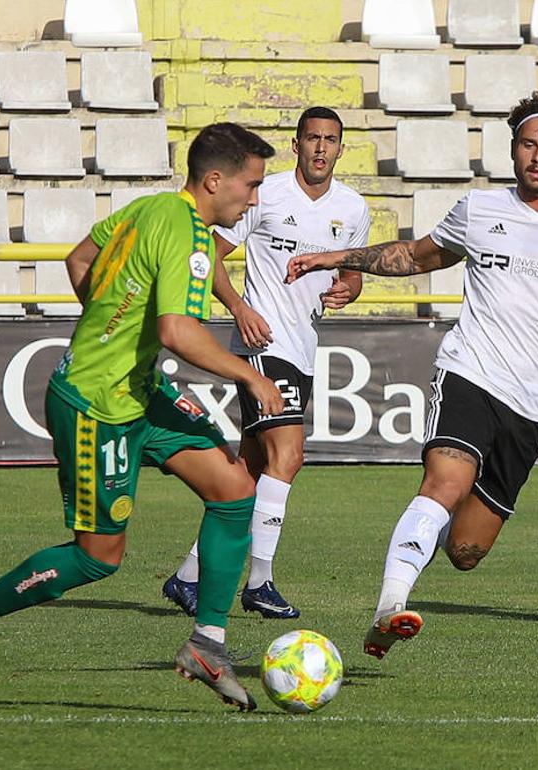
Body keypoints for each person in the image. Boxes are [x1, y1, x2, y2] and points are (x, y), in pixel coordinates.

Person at [0, 123, 284, 710]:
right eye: (250, 185)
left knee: (233, 487)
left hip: (137, 391)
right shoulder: (190, 236)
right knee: (98, 559)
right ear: (214, 179)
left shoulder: (149, 209)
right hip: (97, 406)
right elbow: (178, 331)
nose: (254, 198)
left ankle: (208, 643)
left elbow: (80, 258)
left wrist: (108, 325)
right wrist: (250, 374)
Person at [286, 92, 538, 659]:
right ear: (513, 149)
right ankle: (389, 604)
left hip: (530, 405)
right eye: (528, 144)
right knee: (442, 485)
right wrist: (339, 257)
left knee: (468, 550)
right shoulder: (478, 210)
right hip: (469, 372)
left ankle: (427, 539)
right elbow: (413, 256)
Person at [163, 106, 369, 620]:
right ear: (297, 145)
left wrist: (347, 289)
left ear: (342, 149)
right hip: (264, 345)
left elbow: (355, 274)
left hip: (303, 347)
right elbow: (209, 249)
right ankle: (260, 582)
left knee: (249, 472)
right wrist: (238, 307)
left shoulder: (353, 208)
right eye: (312, 138)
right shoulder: (266, 194)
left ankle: (188, 575)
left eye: (331, 140)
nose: (321, 148)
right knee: (289, 456)